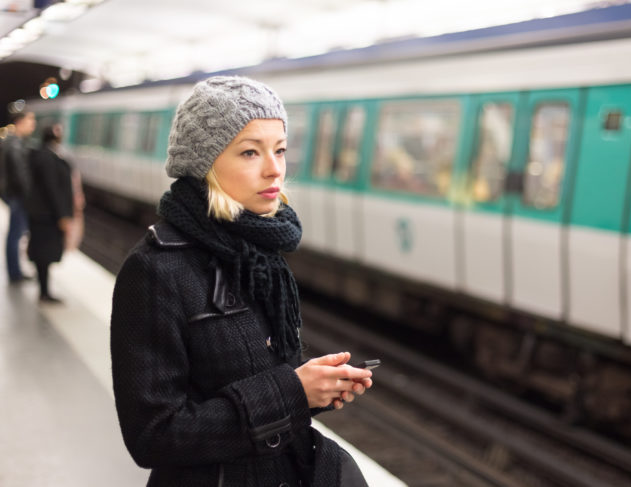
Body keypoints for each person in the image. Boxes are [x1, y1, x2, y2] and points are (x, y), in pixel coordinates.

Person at [111, 76, 373, 487]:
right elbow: (153, 436)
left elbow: (262, 388)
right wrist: (291, 391)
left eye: (281, 150)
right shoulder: (155, 271)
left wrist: (313, 389)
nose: (275, 169)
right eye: (250, 152)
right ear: (205, 162)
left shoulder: (261, 258)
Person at [26, 124, 74, 303]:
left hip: (43, 214)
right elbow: (52, 188)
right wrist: (62, 215)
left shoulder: (45, 154)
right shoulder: (46, 157)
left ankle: (44, 290)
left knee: (42, 253)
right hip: (46, 215)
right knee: (44, 254)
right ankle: (44, 292)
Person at [1, 111, 36, 283]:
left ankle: (15, 271)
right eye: (31, 120)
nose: (33, 124)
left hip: (13, 193)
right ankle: (15, 273)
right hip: (18, 195)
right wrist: (30, 195)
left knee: (15, 234)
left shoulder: (14, 142)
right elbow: (19, 174)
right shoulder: (15, 144)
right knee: (15, 234)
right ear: (20, 122)